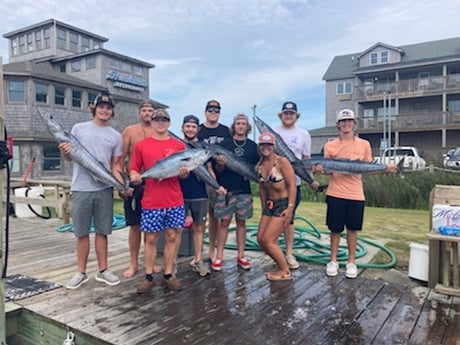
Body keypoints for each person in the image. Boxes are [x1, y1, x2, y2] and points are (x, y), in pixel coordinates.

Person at [312, 109, 396, 279]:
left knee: (352, 230)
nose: (346, 123)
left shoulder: (364, 144)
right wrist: (319, 170)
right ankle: (333, 260)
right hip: (335, 193)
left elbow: (368, 169)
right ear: (338, 124)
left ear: (354, 124)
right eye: (343, 121)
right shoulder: (330, 146)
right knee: (335, 230)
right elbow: (327, 170)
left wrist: (386, 169)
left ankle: (351, 262)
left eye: (349, 120)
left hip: (356, 194)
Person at [60, 93, 123, 289]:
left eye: (108, 107)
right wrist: (65, 152)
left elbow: (116, 166)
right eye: (101, 106)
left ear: (112, 111)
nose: (105, 110)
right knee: (81, 232)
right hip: (81, 188)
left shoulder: (116, 136)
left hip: (104, 188)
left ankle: (103, 270)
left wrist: (122, 185)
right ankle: (81, 272)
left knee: (103, 231)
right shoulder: (78, 129)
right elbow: (70, 158)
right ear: (94, 108)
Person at [130, 109, 189, 292]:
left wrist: (184, 173)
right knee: (151, 238)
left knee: (172, 236)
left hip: (174, 198)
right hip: (151, 199)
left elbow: (184, 173)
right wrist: (135, 176)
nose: (160, 123)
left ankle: (168, 274)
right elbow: (133, 169)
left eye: (164, 119)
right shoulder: (142, 145)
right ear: (152, 122)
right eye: (157, 119)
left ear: (169, 123)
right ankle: (148, 277)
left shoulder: (179, 146)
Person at [180, 114, 226, 277]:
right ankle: (171, 265)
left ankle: (198, 260)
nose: (190, 129)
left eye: (193, 127)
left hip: (200, 192)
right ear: (182, 128)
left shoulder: (203, 148)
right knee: (176, 230)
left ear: (197, 129)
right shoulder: (176, 145)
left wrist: (217, 186)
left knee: (199, 228)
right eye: (188, 126)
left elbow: (209, 169)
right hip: (179, 194)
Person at [212, 113, 259, 271]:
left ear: (247, 127)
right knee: (224, 222)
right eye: (238, 123)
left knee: (241, 223)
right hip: (226, 190)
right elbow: (218, 170)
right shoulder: (224, 145)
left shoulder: (253, 146)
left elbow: (257, 168)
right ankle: (219, 256)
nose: (240, 126)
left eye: (243, 123)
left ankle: (241, 255)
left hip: (244, 190)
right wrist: (221, 164)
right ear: (234, 126)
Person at [120, 100, 161, 278]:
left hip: (154, 184)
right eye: (144, 110)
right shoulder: (130, 131)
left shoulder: (160, 132)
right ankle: (133, 263)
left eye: (150, 110)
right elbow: (120, 160)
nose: (147, 113)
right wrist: (123, 184)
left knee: (152, 227)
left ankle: (150, 262)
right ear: (139, 113)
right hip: (134, 184)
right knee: (135, 226)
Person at [274, 101, 317, 269]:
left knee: (289, 218)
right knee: (273, 217)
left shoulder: (304, 134)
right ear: (281, 115)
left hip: (295, 183)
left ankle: (289, 253)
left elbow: (306, 160)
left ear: (296, 116)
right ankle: (274, 252)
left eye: (291, 113)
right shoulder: (274, 131)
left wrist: (311, 179)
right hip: (275, 182)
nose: (288, 116)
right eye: (286, 113)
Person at [255, 132, 297, 281]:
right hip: (270, 205)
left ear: (273, 146)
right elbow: (262, 188)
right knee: (260, 239)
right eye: (263, 145)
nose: (266, 147)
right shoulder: (260, 165)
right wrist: (264, 209)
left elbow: (292, 185)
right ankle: (279, 265)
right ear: (259, 146)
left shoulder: (282, 162)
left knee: (268, 240)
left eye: (269, 145)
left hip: (283, 204)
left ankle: (285, 271)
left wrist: (290, 209)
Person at [197, 100, 231, 262]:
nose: (213, 112)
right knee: (205, 217)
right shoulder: (199, 130)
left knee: (218, 217)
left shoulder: (225, 131)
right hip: (202, 178)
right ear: (205, 112)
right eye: (210, 109)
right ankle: (206, 250)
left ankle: (216, 250)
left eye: (216, 110)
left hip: (223, 179)